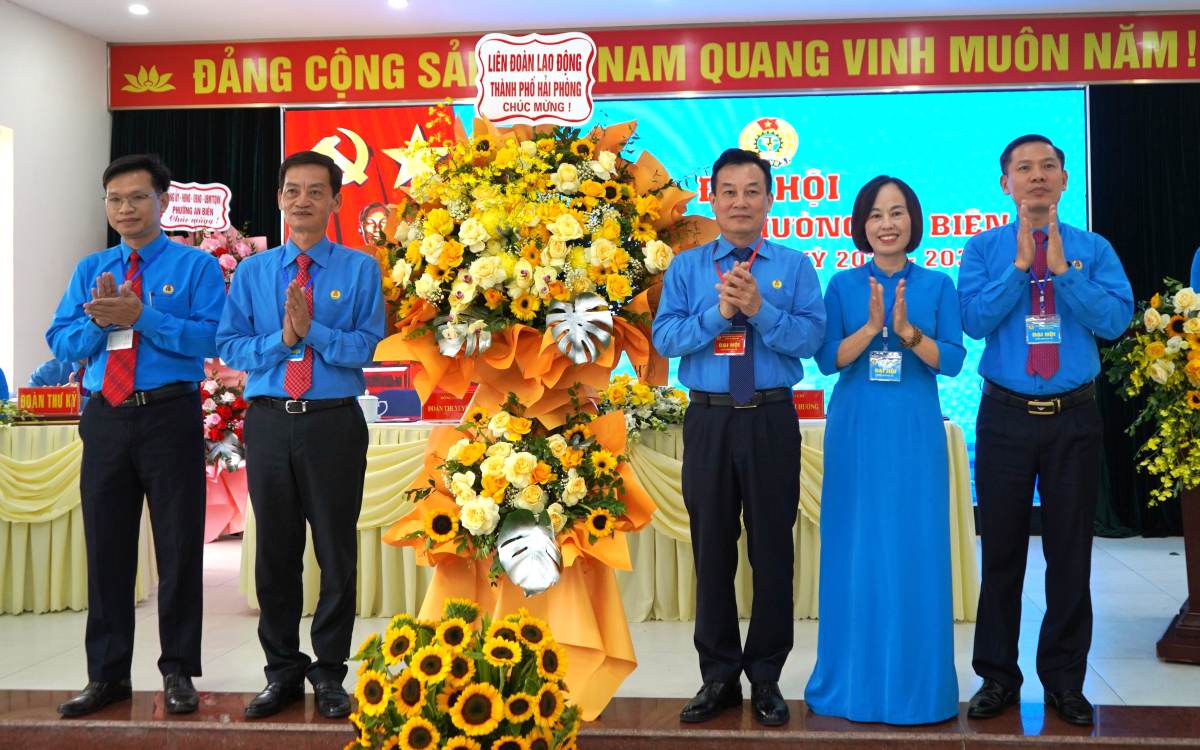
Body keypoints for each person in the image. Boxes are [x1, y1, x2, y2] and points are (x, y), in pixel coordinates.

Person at [959, 134, 1133, 726]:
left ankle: (1064, 680)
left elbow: (1114, 322)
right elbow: (975, 319)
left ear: (1064, 180)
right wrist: (1020, 267)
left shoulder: (1093, 249)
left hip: (1074, 419)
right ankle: (997, 677)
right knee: (1002, 554)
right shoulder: (982, 249)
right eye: (1023, 168)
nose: (1037, 177)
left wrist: (1062, 272)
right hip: (1005, 417)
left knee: (1070, 556)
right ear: (1004, 183)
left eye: (1048, 167)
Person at [45, 153, 225, 717]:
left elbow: (210, 339)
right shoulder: (89, 269)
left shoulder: (194, 267)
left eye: (138, 198)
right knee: (107, 551)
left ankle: (177, 673)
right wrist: (100, 321)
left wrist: (141, 315)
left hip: (168, 415)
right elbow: (61, 341)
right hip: (106, 418)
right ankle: (106, 676)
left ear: (163, 202)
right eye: (115, 200)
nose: (126, 208)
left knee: (177, 550)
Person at [653, 147, 825, 727]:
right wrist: (716, 318)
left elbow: (811, 341)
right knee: (713, 548)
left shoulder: (795, 266)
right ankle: (719, 676)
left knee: (773, 551)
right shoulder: (687, 267)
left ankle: (768, 677)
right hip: (709, 419)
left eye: (753, 190)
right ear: (714, 199)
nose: (740, 202)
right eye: (729, 191)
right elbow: (665, 340)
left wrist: (761, 309)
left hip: (771, 418)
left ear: (770, 199)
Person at [217, 150, 384, 719]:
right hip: (268, 420)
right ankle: (282, 671)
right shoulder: (255, 272)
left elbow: (366, 345)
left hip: (333, 421)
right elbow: (231, 345)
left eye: (316, 191)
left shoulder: (360, 268)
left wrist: (316, 332)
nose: (303, 200)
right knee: (275, 555)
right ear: (280, 200)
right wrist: (284, 340)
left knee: (336, 554)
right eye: (293, 190)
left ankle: (330, 673)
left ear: (336, 201)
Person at [804, 176, 964, 724]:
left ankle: (920, 688)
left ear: (914, 222)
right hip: (857, 431)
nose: (887, 224)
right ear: (861, 225)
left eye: (897, 213)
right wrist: (873, 327)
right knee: (858, 549)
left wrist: (908, 333)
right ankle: (851, 684)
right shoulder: (842, 284)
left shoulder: (939, 284)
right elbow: (827, 360)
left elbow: (955, 360)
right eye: (875, 215)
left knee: (915, 550)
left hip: (914, 432)